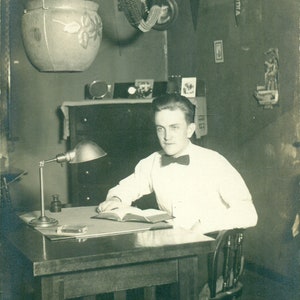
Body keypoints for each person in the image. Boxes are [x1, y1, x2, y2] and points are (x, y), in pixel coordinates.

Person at [98, 93, 257, 233]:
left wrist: (203, 226)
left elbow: (247, 212)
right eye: (161, 129)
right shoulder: (152, 162)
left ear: (190, 130)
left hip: (210, 246)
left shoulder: (214, 162)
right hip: (172, 243)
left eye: (174, 127)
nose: (167, 136)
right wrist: (116, 199)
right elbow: (128, 187)